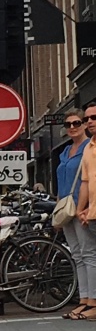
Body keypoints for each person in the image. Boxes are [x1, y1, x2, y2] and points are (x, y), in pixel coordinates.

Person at [67, 105, 96, 319]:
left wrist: (84, 208)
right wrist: (77, 209)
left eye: (78, 122)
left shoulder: (87, 146)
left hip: (88, 209)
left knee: (89, 254)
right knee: (80, 255)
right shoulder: (87, 149)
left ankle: (92, 301)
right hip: (82, 210)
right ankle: (86, 300)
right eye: (87, 119)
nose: (89, 122)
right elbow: (85, 181)